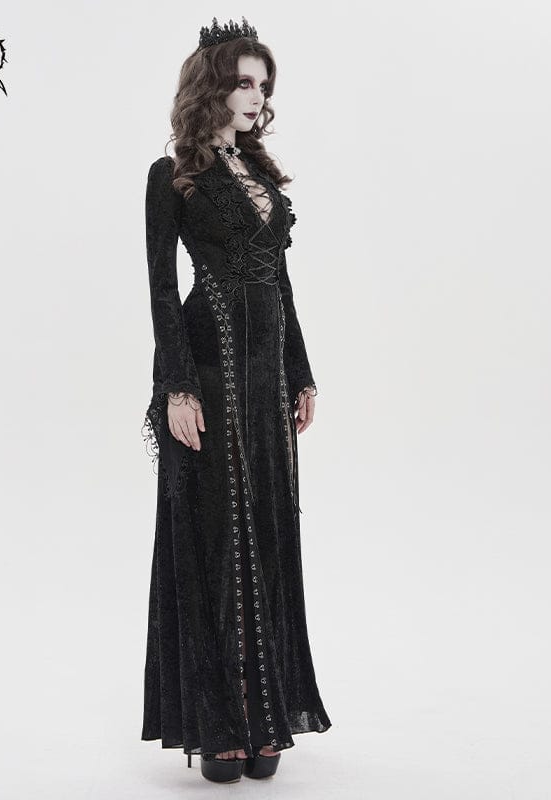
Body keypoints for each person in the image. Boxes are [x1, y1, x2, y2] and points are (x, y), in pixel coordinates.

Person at [140, 16, 332, 783]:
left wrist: (302, 373)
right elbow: (161, 290)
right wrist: (176, 386)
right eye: (244, 81)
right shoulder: (172, 176)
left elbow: (280, 282)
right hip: (210, 375)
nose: (256, 96)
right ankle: (220, 723)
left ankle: (264, 716)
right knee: (218, 540)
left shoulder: (261, 176)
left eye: (263, 84)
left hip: (265, 384)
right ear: (212, 87)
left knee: (268, 537)